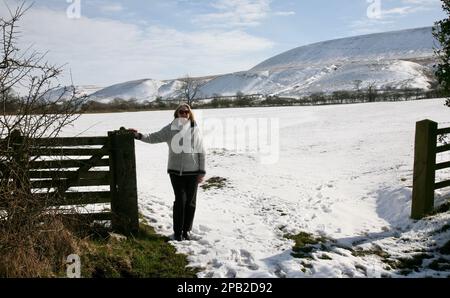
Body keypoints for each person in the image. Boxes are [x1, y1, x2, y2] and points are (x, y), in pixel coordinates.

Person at [129, 104, 206, 241]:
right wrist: (138, 135)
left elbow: (201, 151)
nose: (184, 114)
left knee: (191, 202)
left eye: (186, 112)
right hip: (175, 172)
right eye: (181, 112)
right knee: (180, 201)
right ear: (176, 114)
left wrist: (202, 171)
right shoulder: (170, 129)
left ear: (190, 114)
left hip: (193, 172)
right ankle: (177, 232)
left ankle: (186, 231)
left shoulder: (195, 129)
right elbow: (153, 137)